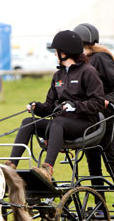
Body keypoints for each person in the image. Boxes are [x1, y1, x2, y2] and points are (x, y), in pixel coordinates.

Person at [6, 30, 105, 181]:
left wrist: (75, 106)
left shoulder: (88, 72)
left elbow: (98, 102)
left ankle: (47, 169)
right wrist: (37, 107)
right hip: (61, 124)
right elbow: (50, 107)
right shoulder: (58, 76)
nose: (55, 55)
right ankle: (11, 167)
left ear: (65, 53)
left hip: (85, 124)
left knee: (57, 123)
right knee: (28, 122)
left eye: (56, 51)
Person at [73, 23, 114, 214]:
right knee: (93, 166)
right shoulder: (82, 62)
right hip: (89, 120)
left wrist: (107, 101)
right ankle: (100, 208)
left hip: (105, 119)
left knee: (111, 163)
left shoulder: (101, 58)